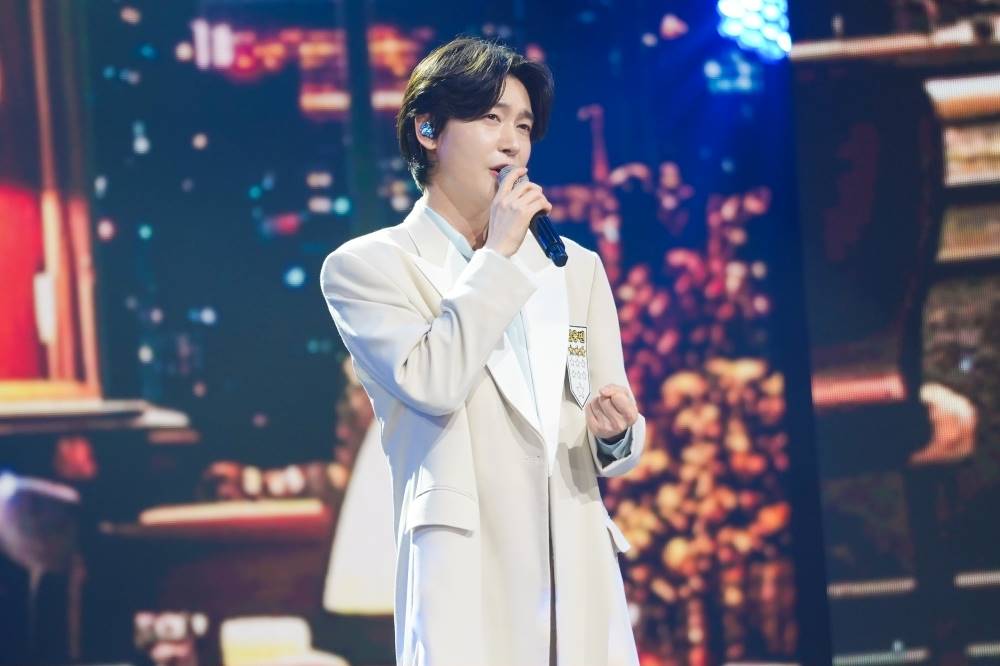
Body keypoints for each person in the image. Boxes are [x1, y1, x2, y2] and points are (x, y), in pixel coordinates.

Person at [319, 36, 645, 666]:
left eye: (523, 125)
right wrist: (497, 255)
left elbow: (602, 419)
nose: (512, 142)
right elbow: (434, 382)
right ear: (428, 131)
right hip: (468, 571)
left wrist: (615, 434)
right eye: (491, 118)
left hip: (575, 566)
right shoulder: (370, 267)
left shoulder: (573, 267)